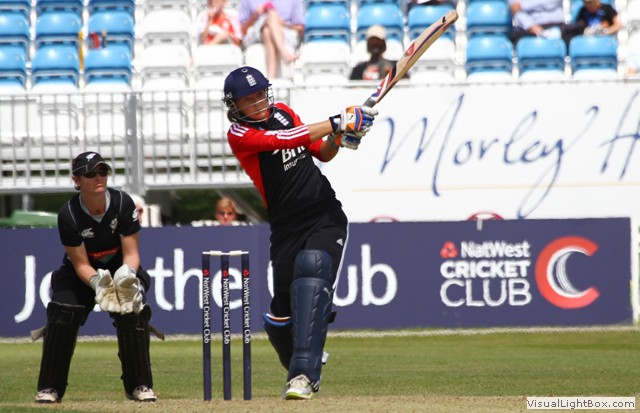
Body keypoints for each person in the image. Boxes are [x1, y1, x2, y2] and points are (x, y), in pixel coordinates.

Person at [222, 66, 378, 399]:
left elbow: (321, 152)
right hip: (285, 227)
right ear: (235, 105)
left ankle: (303, 376)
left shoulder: (283, 112)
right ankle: (302, 357)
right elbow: (285, 140)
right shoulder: (239, 134)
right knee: (280, 317)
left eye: (260, 94)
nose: (258, 102)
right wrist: (338, 121)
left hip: (323, 213)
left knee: (312, 270)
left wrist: (341, 138)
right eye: (249, 99)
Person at [35, 151, 156, 404]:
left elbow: (132, 254)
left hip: (121, 269)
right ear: (76, 180)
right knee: (63, 312)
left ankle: (139, 385)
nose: (98, 177)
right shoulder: (69, 214)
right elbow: (80, 263)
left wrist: (126, 277)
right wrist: (98, 283)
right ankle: (49, 388)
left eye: (102, 171)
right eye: (90, 174)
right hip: (81, 274)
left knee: (132, 310)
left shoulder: (122, 203)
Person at [238, 0, 304, 79]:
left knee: (267, 31)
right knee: (272, 14)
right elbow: (243, 30)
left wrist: (282, 24)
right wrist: (255, 15)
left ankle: (271, 77)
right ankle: (284, 52)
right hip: (255, 32)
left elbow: (300, 28)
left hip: (285, 31)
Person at [508, 0, 574, 47]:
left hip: (558, 25)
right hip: (530, 28)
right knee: (518, 39)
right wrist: (530, 26)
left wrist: (525, 5)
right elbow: (515, 9)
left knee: (574, 35)